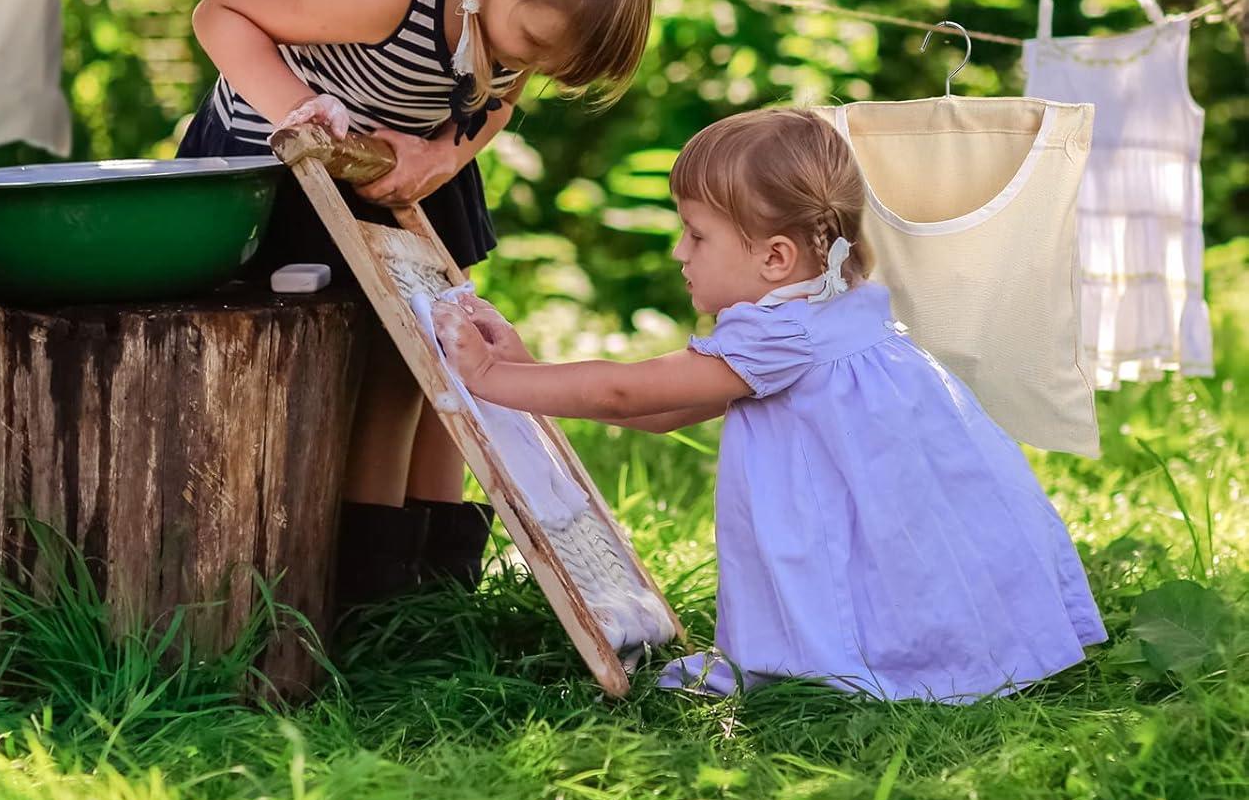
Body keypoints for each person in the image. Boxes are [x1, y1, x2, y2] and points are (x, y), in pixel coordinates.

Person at [434, 108, 1107, 700]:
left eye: (697, 235)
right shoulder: (824, 305)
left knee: (864, 600)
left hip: (866, 508)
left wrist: (490, 375)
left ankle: (866, 660)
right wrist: (526, 370)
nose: (679, 251)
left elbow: (625, 390)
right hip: (896, 503)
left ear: (777, 257)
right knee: (902, 578)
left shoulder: (778, 332)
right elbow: (663, 409)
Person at [180, 0, 665, 603]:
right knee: (370, 364)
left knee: (439, 356)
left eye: (546, 60)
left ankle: (436, 582)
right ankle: (361, 587)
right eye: (528, 42)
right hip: (289, 165)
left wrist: (446, 154)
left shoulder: (515, 14)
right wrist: (301, 111)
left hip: (408, 164)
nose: (522, 63)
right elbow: (222, 15)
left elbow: (499, 96)